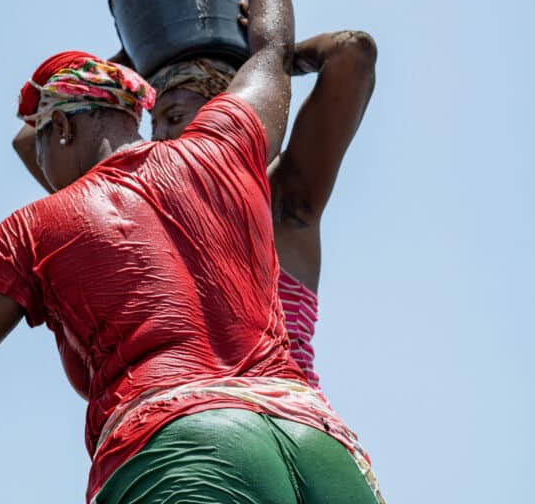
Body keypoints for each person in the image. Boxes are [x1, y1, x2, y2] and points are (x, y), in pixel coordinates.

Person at [0, 0, 383, 504]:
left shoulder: (36, 226)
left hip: (182, 446)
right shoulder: (224, 151)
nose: (39, 160)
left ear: (65, 130)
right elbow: (269, 53)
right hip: (313, 443)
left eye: (46, 139)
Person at [149, 25, 377, 391]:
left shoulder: (279, 198)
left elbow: (353, 54)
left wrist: (274, 56)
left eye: (174, 118)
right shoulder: (147, 215)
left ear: (222, 114)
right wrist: (141, 51)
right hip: (200, 423)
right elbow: (31, 142)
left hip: (285, 420)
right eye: (152, 125)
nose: (158, 137)